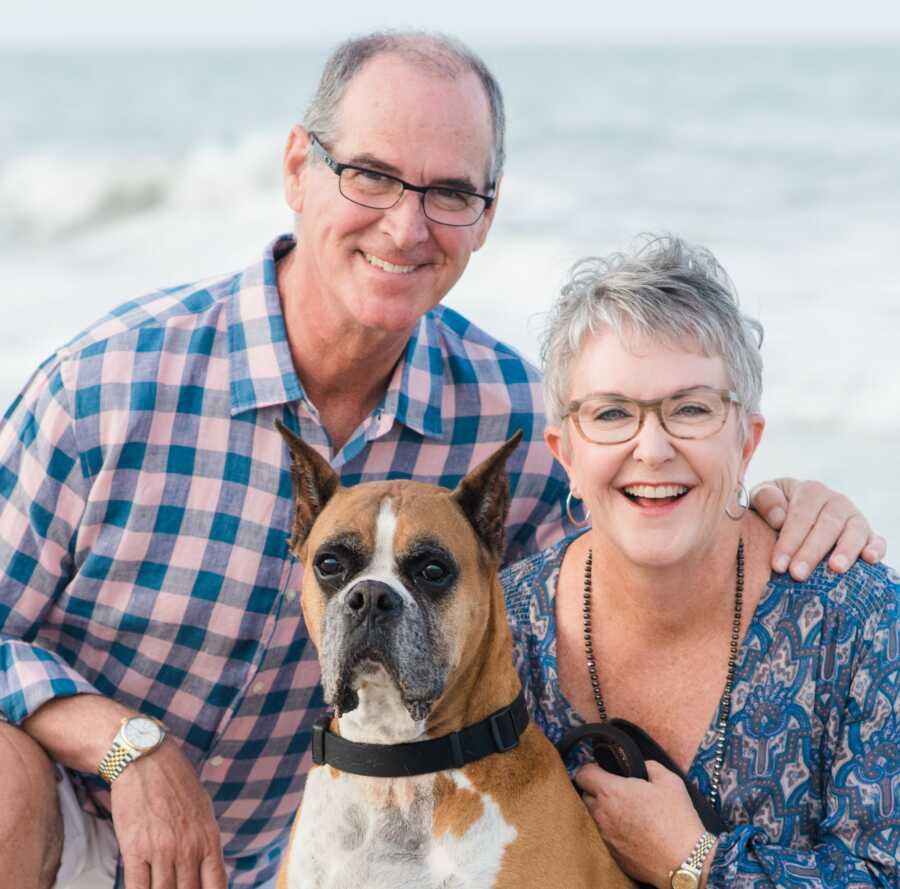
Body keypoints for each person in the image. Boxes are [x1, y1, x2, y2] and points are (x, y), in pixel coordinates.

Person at [0, 32, 885, 889]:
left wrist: (785, 503)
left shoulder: (509, 413)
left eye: (449, 192)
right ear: (298, 170)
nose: (406, 223)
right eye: (372, 175)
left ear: (487, 217)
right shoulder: (108, 388)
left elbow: (648, 494)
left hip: (322, 853)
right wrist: (129, 746)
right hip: (79, 831)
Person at [502, 234, 899, 888]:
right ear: (565, 452)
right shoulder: (505, 629)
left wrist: (696, 863)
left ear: (747, 442)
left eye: (690, 408)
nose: (652, 447)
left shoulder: (860, 624)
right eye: (610, 413)